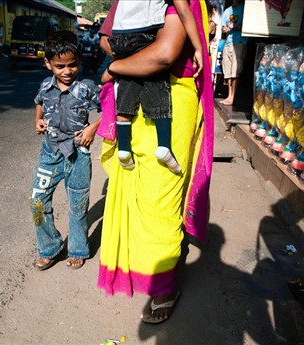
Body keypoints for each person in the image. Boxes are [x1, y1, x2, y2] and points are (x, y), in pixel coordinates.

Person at [97, 0, 214, 324]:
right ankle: (138, 267)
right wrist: (133, 52)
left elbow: (164, 53)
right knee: (134, 191)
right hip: (132, 94)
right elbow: (106, 38)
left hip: (173, 99)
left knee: (161, 199)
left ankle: (164, 286)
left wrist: (115, 67)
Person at [30, 31, 101, 271]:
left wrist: (93, 127)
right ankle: (50, 247)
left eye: (72, 65)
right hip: (49, 153)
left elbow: (109, 109)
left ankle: (78, 249)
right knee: (37, 203)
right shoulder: (45, 86)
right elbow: (39, 101)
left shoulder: (86, 88)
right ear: (47, 63)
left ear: (79, 61)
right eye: (60, 66)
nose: (67, 71)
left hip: (78, 155)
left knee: (78, 206)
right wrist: (37, 120)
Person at [108, 0, 205, 173]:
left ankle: (123, 147)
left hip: (118, 36)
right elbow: (183, 10)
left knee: (128, 78)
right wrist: (198, 48)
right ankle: (164, 146)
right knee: (155, 79)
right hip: (143, 33)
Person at [219, 0, 248, 106]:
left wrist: (235, 27)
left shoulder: (244, 9)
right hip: (228, 43)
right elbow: (222, 27)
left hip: (239, 42)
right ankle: (229, 96)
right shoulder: (227, 11)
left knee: (236, 71)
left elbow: (247, 26)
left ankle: (233, 97)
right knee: (228, 72)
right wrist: (225, 29)